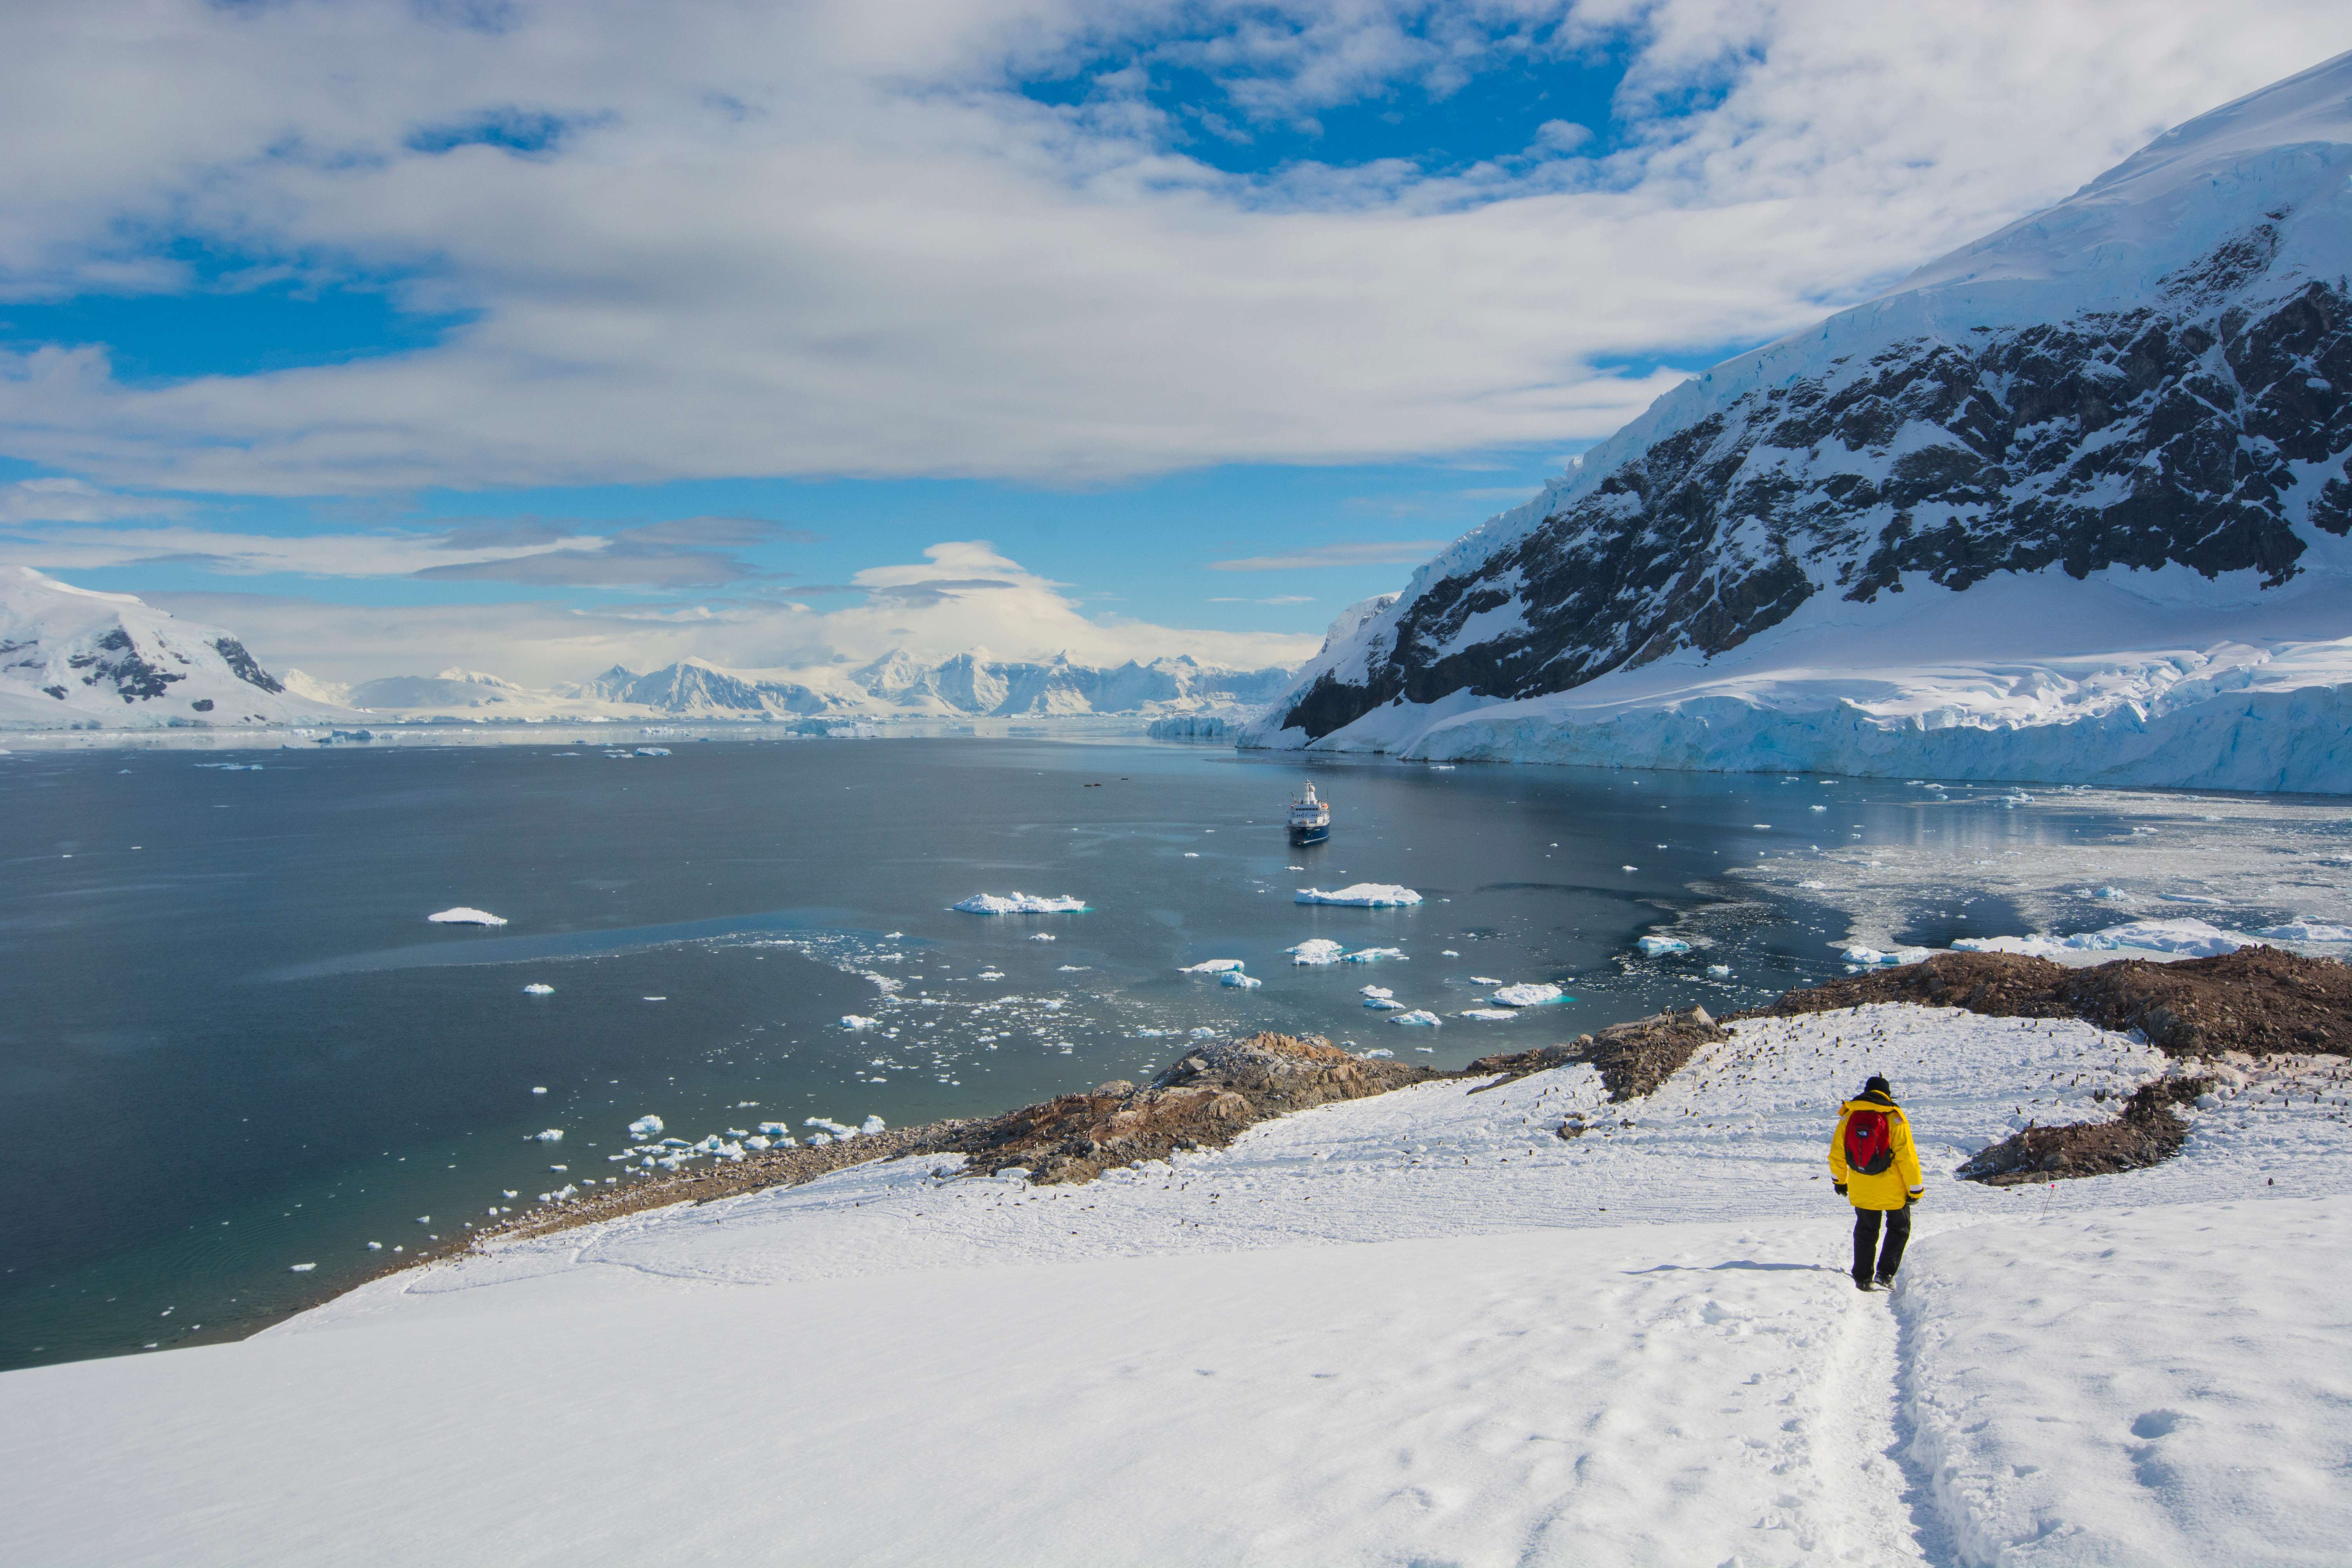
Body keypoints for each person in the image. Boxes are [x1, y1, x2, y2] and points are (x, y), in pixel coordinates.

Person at [1828, 1074, 1924, 1291]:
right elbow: (1907, 1158)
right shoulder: (1894, 1117)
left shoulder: (1848, 1116)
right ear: (1887, 1094)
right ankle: (1885, 1274)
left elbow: (1837, 1154)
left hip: (1862, 1186)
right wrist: (1915, 1191)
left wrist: (1840, 1182)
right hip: (1894, 1189)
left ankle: (1862, 1278)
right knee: (1899, 1228)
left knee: (1865, 1230)